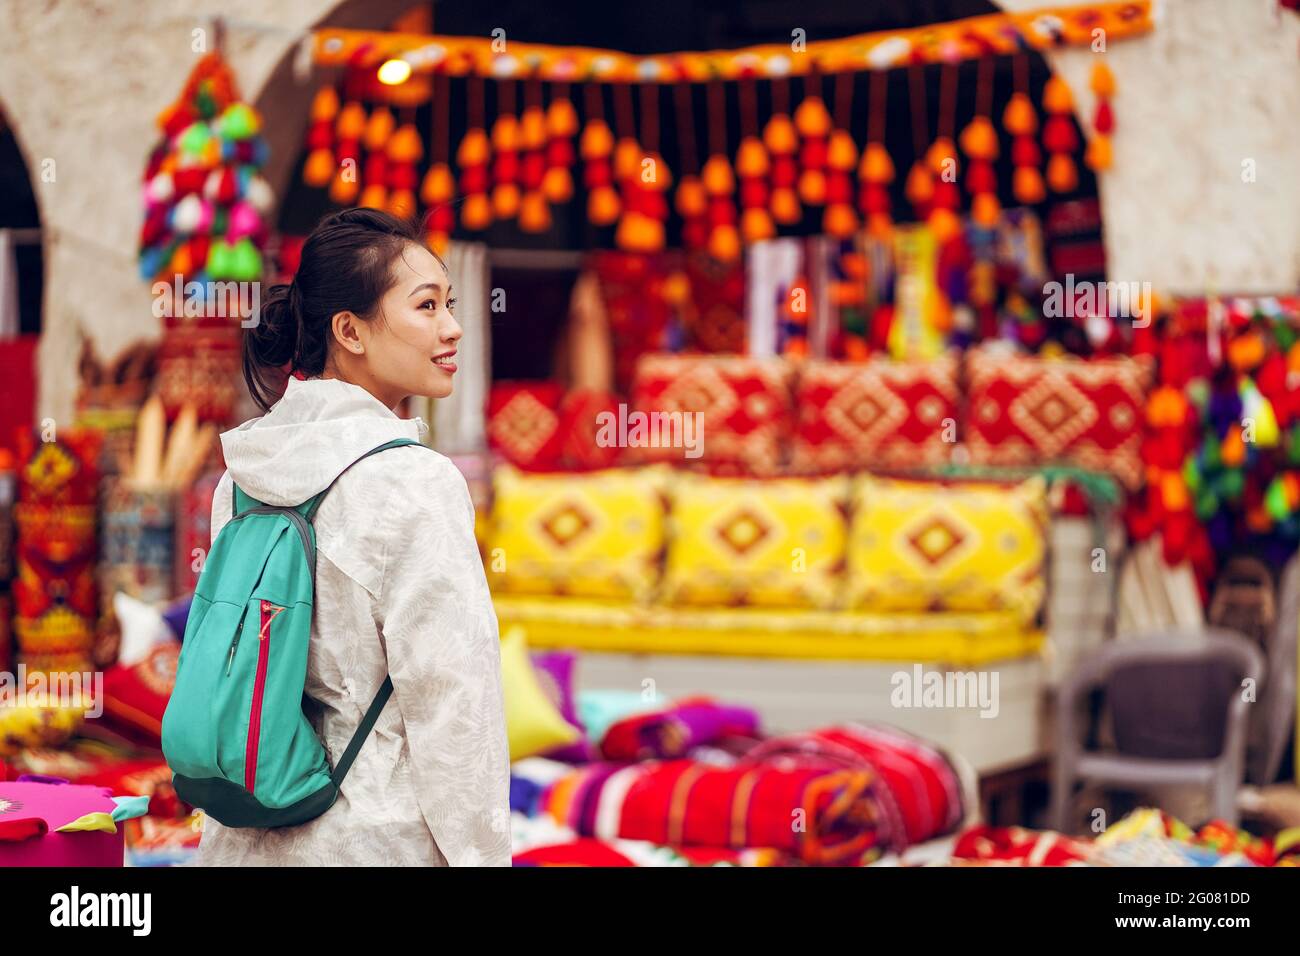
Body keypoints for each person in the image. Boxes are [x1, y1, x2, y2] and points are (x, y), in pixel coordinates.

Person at [191, 208, 510, 866]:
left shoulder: (244, 477)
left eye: (449, 303)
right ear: (350, 331)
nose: (452, 328)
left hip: (243, 840)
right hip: (371, 840)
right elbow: (455, 708)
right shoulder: (416, 484)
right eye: (426, 306)